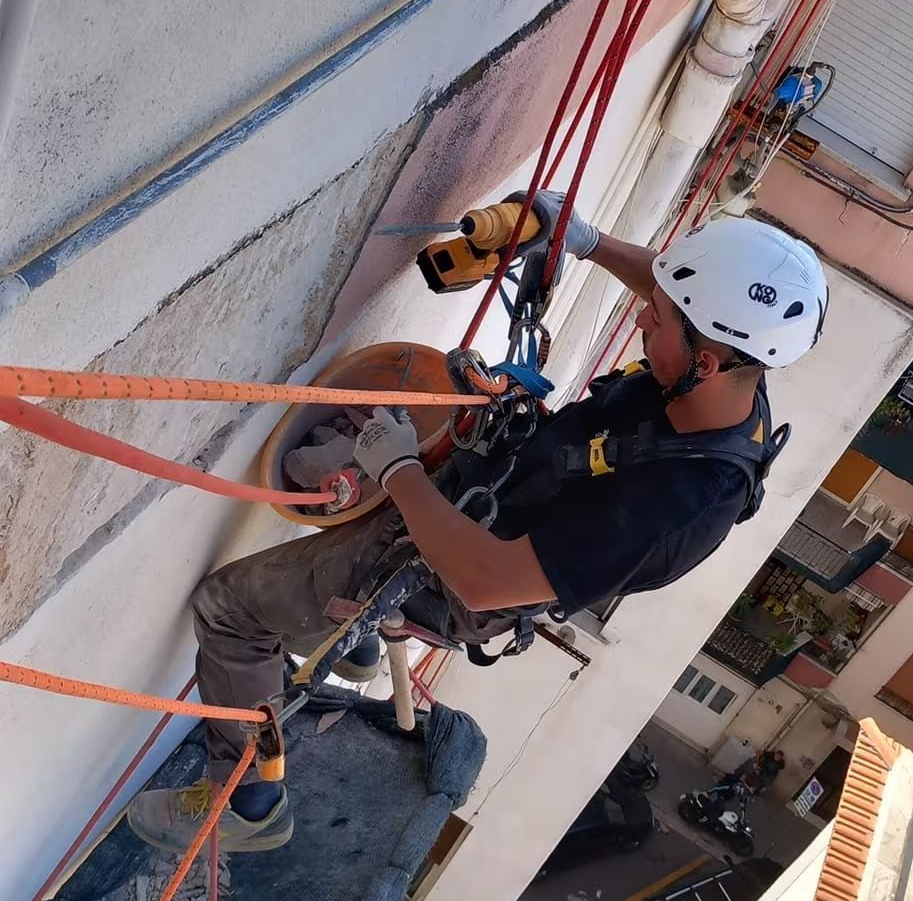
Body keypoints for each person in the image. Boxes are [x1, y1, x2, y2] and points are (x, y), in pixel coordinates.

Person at [129, 201, 828, 855]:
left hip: (464, 573)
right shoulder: (727, 370)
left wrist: (399, 470)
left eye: (658, 318)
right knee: (384, 501)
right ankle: (358, 646)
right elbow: (672, 293)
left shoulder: (678, 510)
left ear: (705, 362)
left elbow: (485, 580)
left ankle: (248, 805)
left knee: (231, 610)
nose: (644, 315)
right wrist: (583, 241)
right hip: (498, 490)